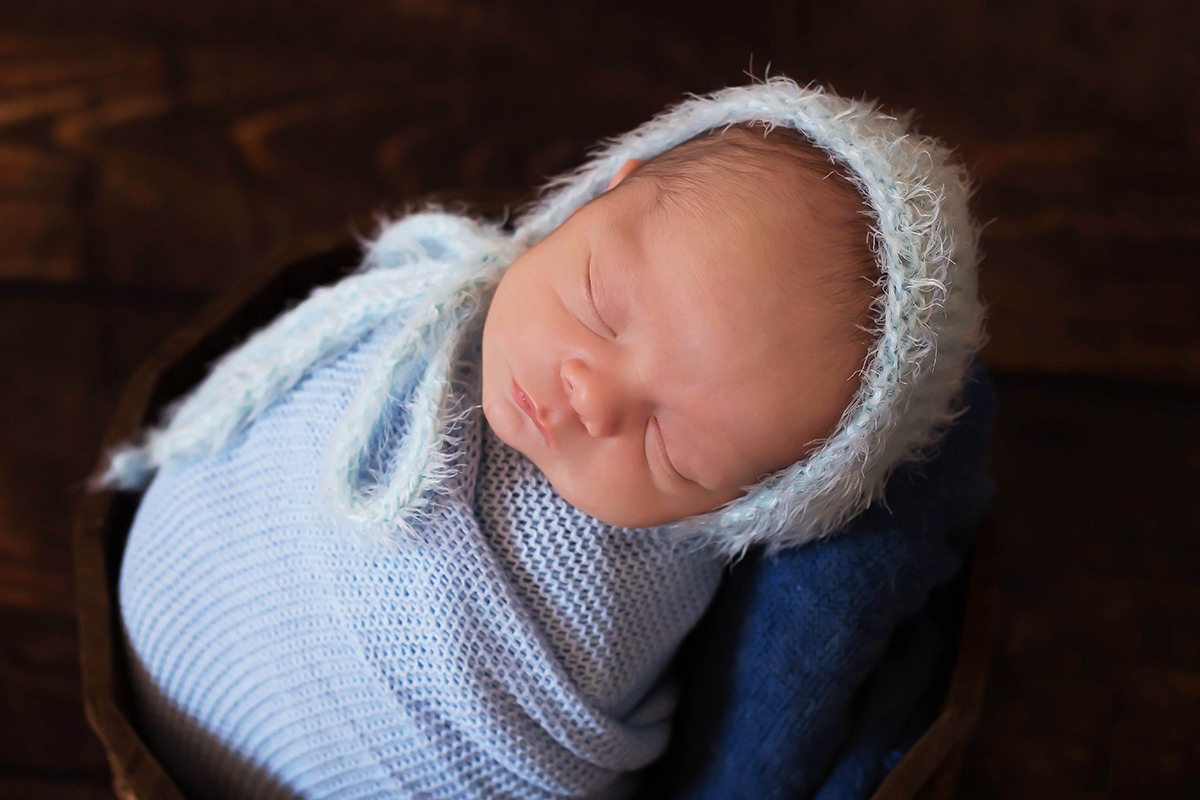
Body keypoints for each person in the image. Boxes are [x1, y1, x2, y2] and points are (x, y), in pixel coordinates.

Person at [99, 78, 988, 799]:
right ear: (599, 191)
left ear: (746, 510)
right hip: (175, 621)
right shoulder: (430, 298)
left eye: (674, 451)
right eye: (599, 301)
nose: (590, 399)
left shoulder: (634, 589)